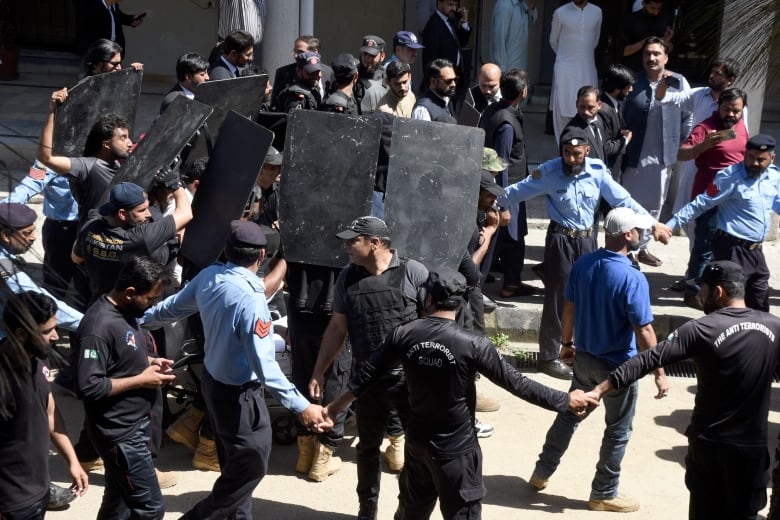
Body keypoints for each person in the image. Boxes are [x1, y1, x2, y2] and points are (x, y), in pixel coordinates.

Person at [326, 268, 598, 519]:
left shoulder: (404, 334)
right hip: (456, 454)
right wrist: (566, 399)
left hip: (417, 446)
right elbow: (517, 384)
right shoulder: (473, 344)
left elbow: (363, 378)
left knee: (411, 513)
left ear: (427, 298)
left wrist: (331, 410)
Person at [142, 220, 331, 518]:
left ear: (227, 251)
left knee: (234, 464)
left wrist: (134, 319)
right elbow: (264, 365)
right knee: (250, 467)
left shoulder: (209, 277)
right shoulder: (251, 299)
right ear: (260, 257)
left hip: (214, 387)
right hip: (239, 397)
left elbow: (171, 309)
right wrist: (301, 406)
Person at [587, 260, 780, 519]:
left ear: (719, 292)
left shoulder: (701, 329)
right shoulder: (774, 327)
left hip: (709, 446)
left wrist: (600, 389)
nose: (699, 297)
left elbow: (647, 359)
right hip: (750, 448)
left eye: (702, 290)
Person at [496, 127, 670, 380]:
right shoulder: (550, 171)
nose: (571, 159)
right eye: (566, 153)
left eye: (577, 154)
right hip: (561, 241)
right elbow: (517, 191)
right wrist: (494, 203)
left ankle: (582, 351)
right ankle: (548, 356)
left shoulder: (598, 173)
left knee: (588, 296)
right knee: (558, 299)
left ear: (587, 151)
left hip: (588, 241)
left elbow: (624, 200)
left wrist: (652, 223)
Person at [530, 207, 669, 513]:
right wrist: (659, 370)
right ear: (628, 234)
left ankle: (541, 473)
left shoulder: (584, 264)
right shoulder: (632, 277)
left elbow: (568, 308)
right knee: (618, 430)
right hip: (618, 369)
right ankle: (603, 493)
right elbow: (643, 329)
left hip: (585, 359)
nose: (642, 236)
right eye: (639, 231)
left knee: (569, 415)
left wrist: (566, 344)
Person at [309, 216, 429, 520]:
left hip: (410, 383)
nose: (346, 246)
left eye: (354, 240)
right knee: (367, 450)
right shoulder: (348, 278)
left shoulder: (412, 273)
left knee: (416, 454)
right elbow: (337, 328)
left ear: (374, 243)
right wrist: (319, 370)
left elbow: (434, 325)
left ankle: (406, 512)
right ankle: (367, 511)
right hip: (367, 382)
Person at [76, 257, 177, 519]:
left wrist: (150, 360)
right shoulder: (98, 326)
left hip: (134, 427)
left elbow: (120, 355)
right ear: (130, 293)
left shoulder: (126, 313)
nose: (153, 304)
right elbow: (90, 385)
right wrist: (141, 380)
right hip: (120, 435)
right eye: (151, 299)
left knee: (117, 504)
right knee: (150, 509)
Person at [661, 134, 780, 312]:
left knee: (760, 302)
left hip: (756, 251)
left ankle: (757, 337)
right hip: (732, 248)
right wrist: (671, 224)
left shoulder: (773, 176)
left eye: (761, 159)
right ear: (745, 154)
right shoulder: (730, 176)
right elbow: (701, 203)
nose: (755, 163)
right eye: (751, 157)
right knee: (727, 303)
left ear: (772, 158)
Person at [0, 292, 89, 518]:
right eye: (47, 331)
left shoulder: (39, 359)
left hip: (38, 490)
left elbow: (49, 412)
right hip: (10, 501)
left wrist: (72, 460)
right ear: (21, 334)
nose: (56, 337)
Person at [670, 87, 748, 309]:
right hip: (709, 197)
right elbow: (682, 153)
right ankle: (693, 291)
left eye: (736, 110)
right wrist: (704, 145)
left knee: (727, 247)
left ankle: (722, 292)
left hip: (734, 201)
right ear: (718, 108)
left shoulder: (741, 127)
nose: (731, 115)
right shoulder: (705, 127)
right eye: (727, 109)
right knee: (704, 246)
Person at [622, 36, 691, 267]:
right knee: (630, 202)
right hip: (635, 153)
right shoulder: (633, 81)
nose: (651, 58)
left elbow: (688, 115)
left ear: (666, 57)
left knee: (655, 203)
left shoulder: (679, 82)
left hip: (663, 154)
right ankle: (629, 250)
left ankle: (643, 247)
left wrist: (685, 143)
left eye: (656, 54)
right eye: (647, 54)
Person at [73, 180, 192, 298]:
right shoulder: (137, 238)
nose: (148, 214)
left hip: (99, 298)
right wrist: (175, 183)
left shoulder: (91, 225)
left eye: (148, 207)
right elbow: (186, 213)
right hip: (129, 305)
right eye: (141, 210)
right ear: (122, 214)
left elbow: (76, 258)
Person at [38, 88, 134, 224]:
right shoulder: (87, 166)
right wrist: (52, 111)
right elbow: (46, 158)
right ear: (106, 144)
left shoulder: (116, 164)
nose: (130, 143)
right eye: (123, 138)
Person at [479, 69, 533, 298]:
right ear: (523, 92)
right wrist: (502, 205)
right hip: (507, 192)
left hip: (511, 192)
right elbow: (500, 163)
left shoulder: (497, 111)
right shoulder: (506, 123)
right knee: (498, 241)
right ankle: (477, 287)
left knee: (512, 239)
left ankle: (511, 281)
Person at [0, 203, 82, 337]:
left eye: (33, 231)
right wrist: (90, 325)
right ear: (5, 236)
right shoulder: (5, 269)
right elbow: (38, 301)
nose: (33, 237)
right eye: (26, 233)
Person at [549, 0, 602, 140]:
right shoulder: (560, 12)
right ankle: (563, 145)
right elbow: (553, 41)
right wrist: (566, 57)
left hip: (587, 66)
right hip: (565, 68)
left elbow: (594, 41)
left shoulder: (597, 12)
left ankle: (585, 145)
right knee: (563, 107)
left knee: (589, 106)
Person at [421, 0, 471, 91]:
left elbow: (462, 42)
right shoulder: (434, 25)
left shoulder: (449, 20)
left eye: (455, 5)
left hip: (454, 77)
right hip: (442, 82)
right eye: (450, 4)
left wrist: (464, 21)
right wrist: (435, 84)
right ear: (439, 4)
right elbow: (430, 60)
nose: (454, 8)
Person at [599, 64, 636, 175]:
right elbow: (605, 148)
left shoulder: (614, 104)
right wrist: (624, 140)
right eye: (628, 86)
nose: (631, 89)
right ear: (617, 88)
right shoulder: (603, 110)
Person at [74, 0, 146, 57]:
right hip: (95, 55)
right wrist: (106, 2)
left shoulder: (113, 3)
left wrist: (131, 20)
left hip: (113, 52)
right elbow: (86, 19)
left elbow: (117, 16)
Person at [622, 0, 674, 73]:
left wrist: (666, 41)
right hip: (634, 70)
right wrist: (646, 41)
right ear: (644, 4)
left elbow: (670, 49)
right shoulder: (630, 20)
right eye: (652, 8)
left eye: (659, 8)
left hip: (657, 71)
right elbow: (623, 51)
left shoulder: (664, 19)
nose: (656, 12)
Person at [491, 0, 537, 72]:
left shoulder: (521, 4)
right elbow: (499, 40)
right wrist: (501, 71)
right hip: (508, 71)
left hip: (519, 70)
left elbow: (532, 20)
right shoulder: (504, 5)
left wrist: (532, 6)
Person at [246, 146, 282, 227]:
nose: (280, 170)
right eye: (273, 167)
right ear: (260, 169)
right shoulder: (246, 195)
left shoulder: (274, 192)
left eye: (280, 166)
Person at [412, 59, 457, 123]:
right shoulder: (423, 109)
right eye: (448, 81)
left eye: (455, 80)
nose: (453, 84)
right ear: (433, 81)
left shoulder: (447, 99)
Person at [356, 35, 388, 114]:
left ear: (382, 56)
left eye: (372, 55)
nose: (367, 59)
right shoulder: (353, 76)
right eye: (365, 54)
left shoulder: (389, 77)